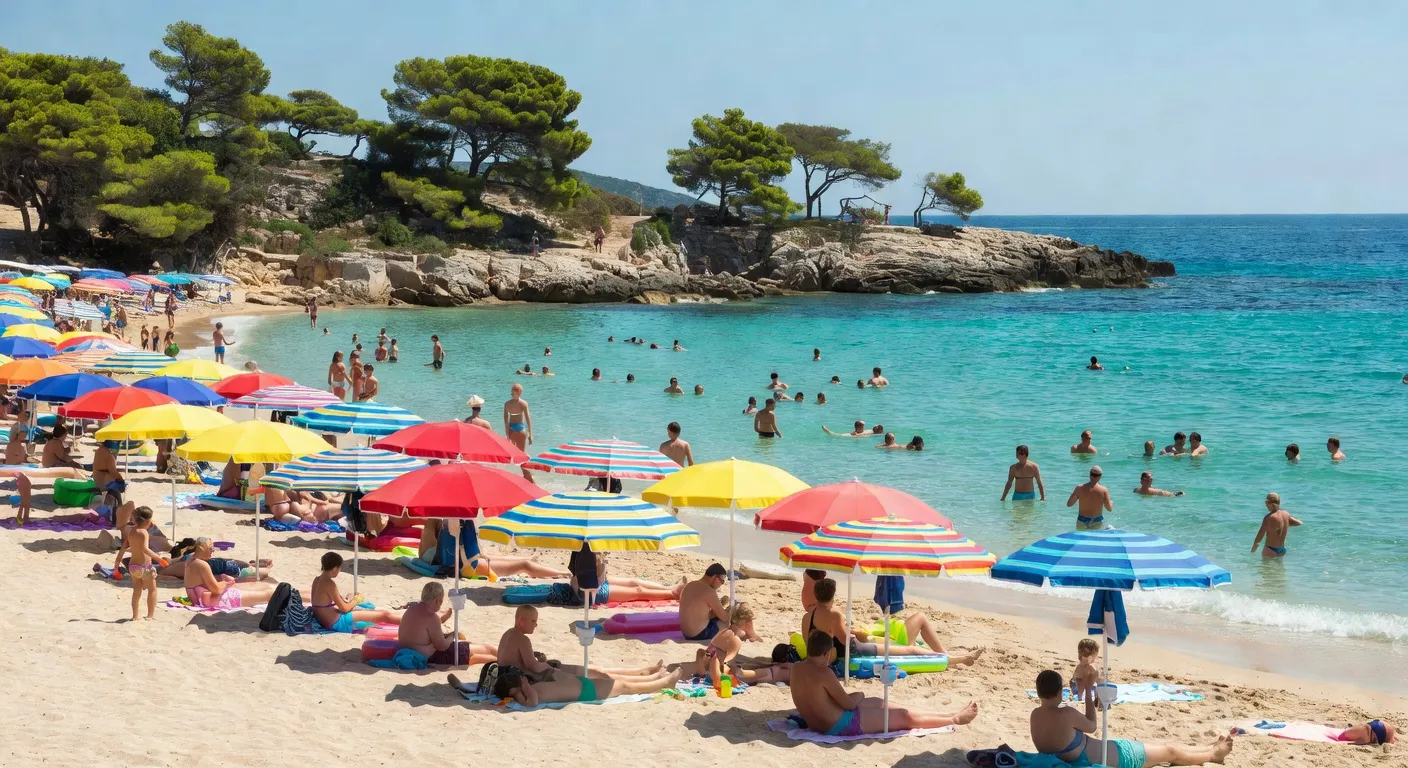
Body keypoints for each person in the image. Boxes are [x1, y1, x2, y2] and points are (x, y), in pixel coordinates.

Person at [791, 630, 979, 738]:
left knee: (879, 702)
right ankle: (954, 719)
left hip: (819, 723)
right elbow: (848, 704)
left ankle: (947, 713)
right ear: (826, 653)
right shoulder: (824, 672)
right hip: (840, 724)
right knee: (904, 717)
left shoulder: (797, 669)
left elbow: (820, 698)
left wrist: (856, 699)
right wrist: (859, 695)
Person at [1031, 669, 1233, 767]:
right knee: (1169, 750)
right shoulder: (1066, 714)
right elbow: (1092, 726)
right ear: (1060, 692)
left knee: (1162, 745)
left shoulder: (1035, 715)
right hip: (1107, 758)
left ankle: (1206, 747)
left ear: (1039, 692)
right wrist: (1091, 693)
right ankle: (1213, 754)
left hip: (1091, 753)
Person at [803, 577, 983, 668]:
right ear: (833, 596)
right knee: (910, 650)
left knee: (886, 639)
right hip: (849, 650)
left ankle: (950, 656)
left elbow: (809, 642)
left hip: (827, 652)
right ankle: (954, 659)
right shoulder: (835, 614)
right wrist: (857, 633)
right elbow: (845, 642)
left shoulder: (807, 617)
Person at [500, 605, 662, 681]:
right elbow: (533, 667)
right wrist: (547, 666)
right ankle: (644, 677)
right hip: (529, 678)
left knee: (597, 671)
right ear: (521, 621)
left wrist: (541, 661)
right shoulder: (522, 639)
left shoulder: (509, 634)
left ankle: (643, 671)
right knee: (600, 676)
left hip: (521, 675)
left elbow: (518, 660)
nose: (536, 624)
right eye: (533, 621)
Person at [471, 662, 682, 707]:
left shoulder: (528, 689)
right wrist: (525, 687)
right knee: (623, 687)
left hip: (581, 684)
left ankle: (653, 679)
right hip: (585, 692)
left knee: (616, 682)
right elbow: (532, 703)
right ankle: (663, 682)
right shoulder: (524, 695)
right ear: (513, 690)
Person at [398, 582, 495, 665]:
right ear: (437, 600)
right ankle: (506, 661)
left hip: (407, 652)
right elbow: (442, 646)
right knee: (486, 650)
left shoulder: (411, 610)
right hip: (431, 657)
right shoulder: (431, 617)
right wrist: (453, 635)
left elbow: (424, 629)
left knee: (476, 647)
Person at [691, 603, 789, 684]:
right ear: (749, 622)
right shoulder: (735, 640)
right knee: (768, 673)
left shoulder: (723, 632)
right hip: (717, 675)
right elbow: (726, 664)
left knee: (749, 668)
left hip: (706, 668)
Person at [310, 552, 402, 631]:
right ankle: (410, 623)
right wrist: (356, 600)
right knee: (384, 615)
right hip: (337, 623)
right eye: (339, 568)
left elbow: (323, 602)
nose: (339, 570)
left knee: (377, 612)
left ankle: (404, 618)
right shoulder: (329, 584)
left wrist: (348, 599)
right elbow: (345, 609)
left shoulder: (317, 580)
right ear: (334, 568)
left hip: (326, 621)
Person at [182, 538, 280, 610]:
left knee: (261, 588)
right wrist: (227, 582)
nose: (212, 552)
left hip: (204, 599)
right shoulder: (202, 564)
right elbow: (216, 589)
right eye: (211, 549)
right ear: (202, 549)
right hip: (214, 601)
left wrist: (222, 580)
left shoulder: (190, 560)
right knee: (267, 594)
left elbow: (199, 584)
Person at [115, 507, 163, 621]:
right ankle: (150, 615)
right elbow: (145, 549)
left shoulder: (132, 531)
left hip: (133, 567)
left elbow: (124, 547)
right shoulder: (144, 532)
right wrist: (159, 559)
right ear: (147, 521)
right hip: (145, 567)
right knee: (152, 590)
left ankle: (135, 616)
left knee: (137, 591)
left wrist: (117, 564)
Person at [679, 563, 731, 641]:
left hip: (685, 633)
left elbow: (700, 614)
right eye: (722, 579)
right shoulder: (709, 591)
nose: (722, 583)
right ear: (714, 577)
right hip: (699, 634)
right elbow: (725, 618)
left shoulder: (689, 585)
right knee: (729, 624)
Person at [1252, 492, 1301, 558]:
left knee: (1266, 568)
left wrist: (1254, 548)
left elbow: (1260, 534)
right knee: (1279, 568)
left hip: (1270, 549)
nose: (1266, 504)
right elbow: (1299, 523)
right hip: (1282, 549)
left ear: (1271, 504)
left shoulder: (1269, 517)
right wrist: (1284, 525)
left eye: (1266, 502)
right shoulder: (1286, 514)